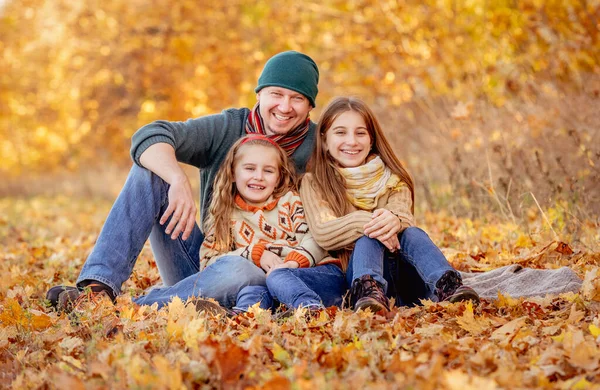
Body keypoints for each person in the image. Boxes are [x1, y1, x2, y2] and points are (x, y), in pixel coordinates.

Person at [46, 51, 321, 312]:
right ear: (260, 94)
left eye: (297, 98)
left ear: (310, 105)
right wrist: (177, 179)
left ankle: (145, 306)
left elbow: (361, 163)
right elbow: (150, 135)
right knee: (150, 171)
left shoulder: (320, 146)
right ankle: (98, 289)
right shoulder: (226, 128)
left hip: (277, 276)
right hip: (206, 263)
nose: (284, 107)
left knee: (243, 271)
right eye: (276, 94)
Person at [299, 96, 479, 314]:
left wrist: (394, 220)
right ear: (325, 140)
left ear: (372, 140)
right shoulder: (314, 182)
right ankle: (369, 293)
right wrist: (377, 222)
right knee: (368, 237)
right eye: (340, 132)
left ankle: (449, 285)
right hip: (357, 275)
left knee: (412, 233)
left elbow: (404, 216)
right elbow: (323, 231)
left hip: (405, 276)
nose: (352, 141)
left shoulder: (393, 178)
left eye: (360, 133)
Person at [188, 134, 344, 312]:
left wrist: (293, 262)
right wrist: (254, 254)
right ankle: (242, 318)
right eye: (249, 168)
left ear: (278, 177)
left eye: (268, 171)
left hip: (315, 275)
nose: (259, 177)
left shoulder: (290, 201)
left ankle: (310, 309)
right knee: (252, 291)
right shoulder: (225, 215)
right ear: (232, 173)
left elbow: (316, 238)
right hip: (268, 285)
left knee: (277, 277)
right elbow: (210, 263)